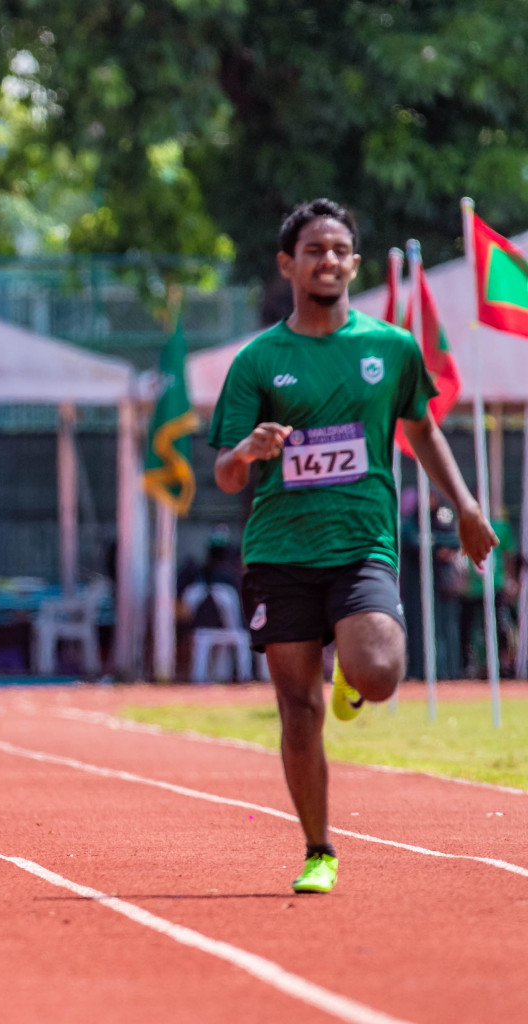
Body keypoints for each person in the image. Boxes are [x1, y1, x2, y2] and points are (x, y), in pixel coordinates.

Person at [208, 198, 497, 894]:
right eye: (314, 250)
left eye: (339, 250)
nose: (328, 260)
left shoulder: (391, 348)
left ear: (354, 263)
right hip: (279, 551)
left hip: (362, 542)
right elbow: (222, 473)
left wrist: (464, 506)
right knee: (298, 709)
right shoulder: (258, 360)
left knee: (378, 673)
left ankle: (352, 676)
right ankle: (319, 848)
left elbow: (421, 430)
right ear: (289, 265)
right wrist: (248, 449)